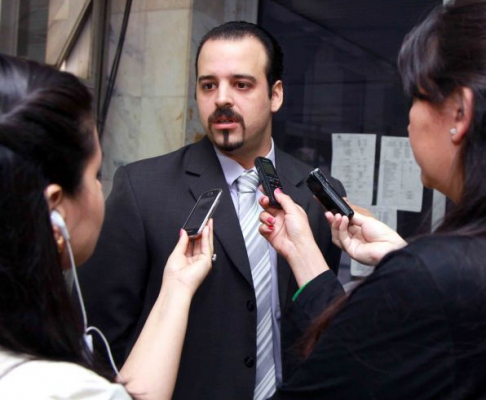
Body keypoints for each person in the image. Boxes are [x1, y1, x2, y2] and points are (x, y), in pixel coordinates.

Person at [79, 21, 345, 400]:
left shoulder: (317, 193)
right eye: (208, 85)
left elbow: (318, 321)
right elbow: (101, 337)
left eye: (241, 84)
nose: (222, 99)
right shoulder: (143, 189)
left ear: (276, 95)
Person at [257, 0, 486, 398]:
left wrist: (412, 272)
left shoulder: (432, 276)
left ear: (459, 112)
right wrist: (305, 252)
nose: (409, 118)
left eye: (415, 98)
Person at [0, 54, 214, 400]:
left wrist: (177, 287)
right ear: (55, 208)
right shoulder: (63, 390)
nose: (101, 188)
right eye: (95, 174)